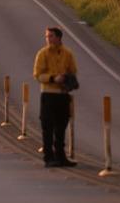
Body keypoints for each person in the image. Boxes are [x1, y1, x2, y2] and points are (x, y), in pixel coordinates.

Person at [33, 27, 78, 168]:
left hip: (63, 95)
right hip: (48, 94)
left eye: (51, 36)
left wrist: (67, 79)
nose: (48, 39)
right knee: (47, 127)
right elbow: (37, 75)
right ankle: (48, 157)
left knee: (61, 127)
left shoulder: (68, 54)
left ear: (59, 37)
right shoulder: (42, 54)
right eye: (47, 36)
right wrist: (53, 78)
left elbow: (73, 71)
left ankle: (61, 156)